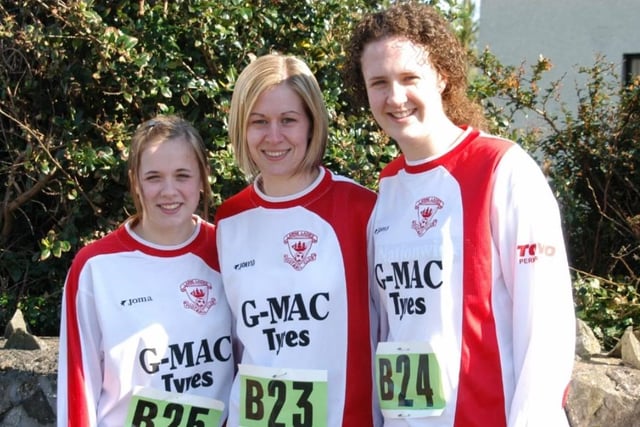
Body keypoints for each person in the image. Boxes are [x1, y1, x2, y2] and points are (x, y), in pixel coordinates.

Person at [343, 2, 576, 426]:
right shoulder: (388, 187)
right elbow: (389, 329)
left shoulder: (503, 169)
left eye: (409, 78)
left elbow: (548, 328)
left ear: (442, 76)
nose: (395, 97)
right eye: (379, 82)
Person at [215, 53, 380, 426]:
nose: (274, 137)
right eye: (259, 122)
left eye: (288, 120)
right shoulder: (228, 219)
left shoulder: (361, 209)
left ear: (311, 124)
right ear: (242, 127)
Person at [57, 115, 234, 426]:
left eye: (182, 175)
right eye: (154, 177)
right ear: (135, 182)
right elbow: (78, 386)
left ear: (203, 177)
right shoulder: (96, 267)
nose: (169, 191)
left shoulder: (229, 252)